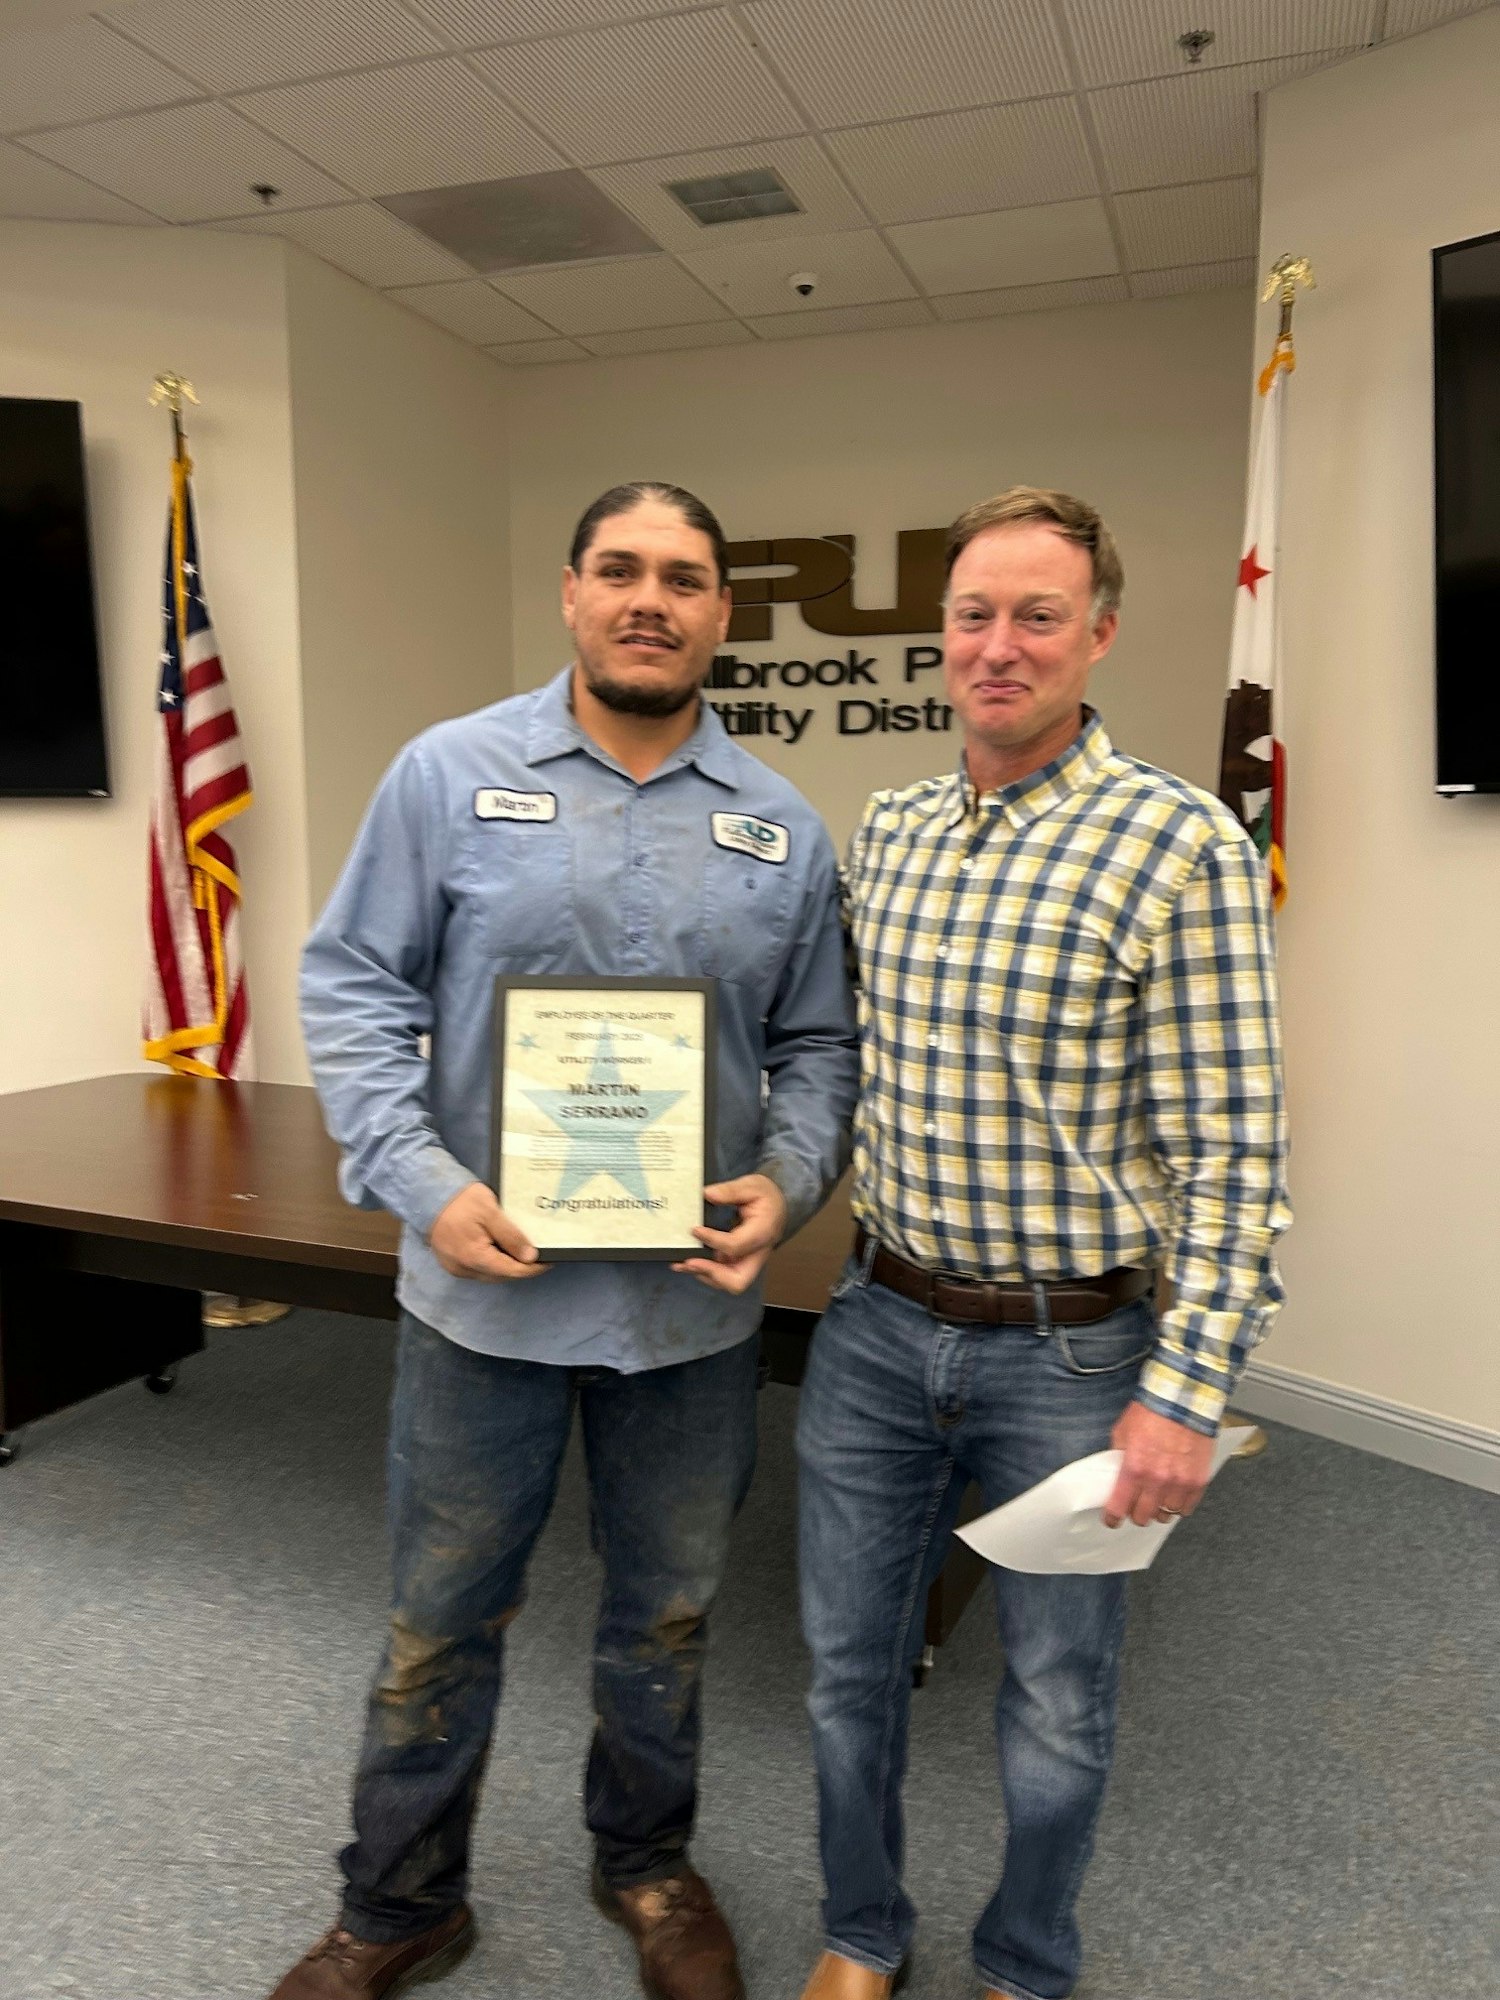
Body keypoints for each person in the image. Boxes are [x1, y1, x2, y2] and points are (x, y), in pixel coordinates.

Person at [279, 482, 858, 2000]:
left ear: (725, 612)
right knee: (437, 1621)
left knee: (664, 1620)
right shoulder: (447, 773)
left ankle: (648, 1869)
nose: (649, 599)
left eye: (684, 577)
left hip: (687, 1322)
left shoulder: (782, 826)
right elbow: (349, 986)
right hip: (486, 1309)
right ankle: (400, 1904)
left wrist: (789, 1185)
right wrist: (418, 1178)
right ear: (571, 592)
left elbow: (820, 1046)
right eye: (621, 570)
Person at [796, 487, 1290, 2000]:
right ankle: (862, 1935)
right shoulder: (887, 829)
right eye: (971, 614)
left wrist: (1186, 1393)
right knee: (843, 1678)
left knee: (1058, 1700)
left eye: (1036, 616)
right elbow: (828, 1056)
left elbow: (1234, 1151)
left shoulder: (1178, 844)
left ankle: (1024, 1962)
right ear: (939, 635)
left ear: (1099, 634)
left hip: (1075, 1357)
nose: (997, 646)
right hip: (876, 1327)